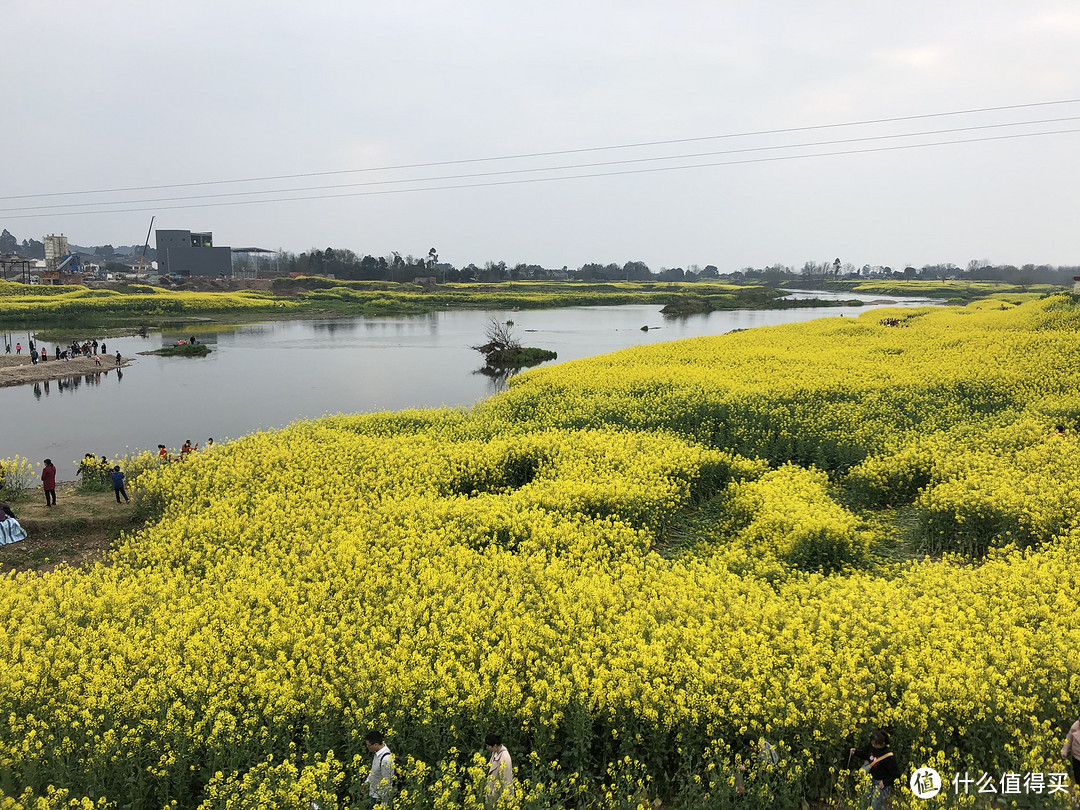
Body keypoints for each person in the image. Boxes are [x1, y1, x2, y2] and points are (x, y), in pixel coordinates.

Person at [850, 730, 900, 810]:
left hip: (880, 783)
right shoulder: (872, 746)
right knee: (866, 803)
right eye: (872, 743)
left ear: (882, 744)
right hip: (869, 780)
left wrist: (884, 782)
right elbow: (865, 754)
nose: (872, 745)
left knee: (875, 806)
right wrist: (855, 752)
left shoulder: (889, 756)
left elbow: (896, 774)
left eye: (875, 744)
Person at [363, 731, 394, 807]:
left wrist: (384, 804)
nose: (367, 747)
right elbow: (374, 772)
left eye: (368, 745)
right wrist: (366, 783)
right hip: (374, 794)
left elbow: (387, 782)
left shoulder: (386, 759)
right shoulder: (377, 754)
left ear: (376, 745)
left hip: (379, 798)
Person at [485, 733, 514, 806]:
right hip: (492, 793)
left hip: (498, 796)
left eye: (488, 746)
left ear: (495, 746)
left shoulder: (504, 758)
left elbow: (506, 780)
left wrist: (506, 800)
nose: (487, 748)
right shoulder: (495, 752)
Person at [1063, 715, 1080, 790]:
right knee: (1078, 777)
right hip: (1076, 756)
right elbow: (1068, 739)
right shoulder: (1075, 726)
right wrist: (1064, 751)